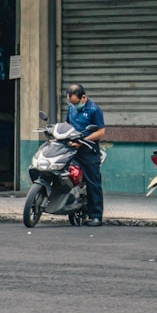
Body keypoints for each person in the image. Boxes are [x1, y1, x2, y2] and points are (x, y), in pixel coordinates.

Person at [66, 84, 106, 227]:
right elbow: (67, 124)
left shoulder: (94, 110)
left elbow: (101, 132)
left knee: (92, 182)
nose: (73, 105)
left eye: (75, 103)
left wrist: (83, 141)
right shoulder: (71, 108)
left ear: (83, 97)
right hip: (71, 149)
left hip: (89, 151)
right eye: (71, 103)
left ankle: (96, 216)